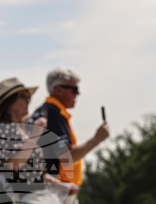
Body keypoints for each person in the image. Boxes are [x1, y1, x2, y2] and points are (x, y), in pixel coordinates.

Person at [29, 68, 110, 202]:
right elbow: (67, 157)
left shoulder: (46, 111)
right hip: (57, 189)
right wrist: (96, 139)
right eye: (74, 89)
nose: (78, 93)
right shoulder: (54, 113)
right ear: (59, 90)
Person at [0, 77, 65, 204]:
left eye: (29, 97)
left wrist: (58, 185)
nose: (28, 101)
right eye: (23, 96)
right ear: (9, 102)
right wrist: (35, 135)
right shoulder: (3, 129)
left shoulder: (19, 130)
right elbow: (13, 165)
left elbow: (31, 172)